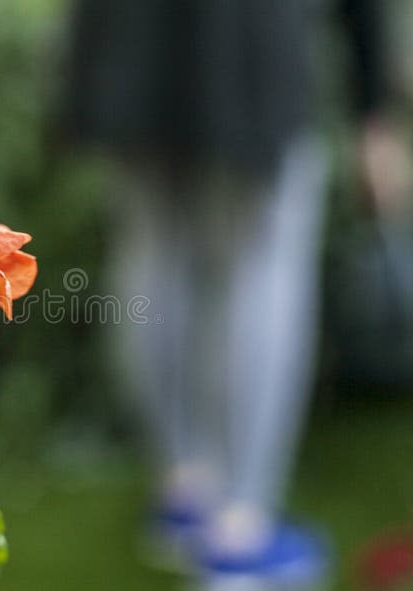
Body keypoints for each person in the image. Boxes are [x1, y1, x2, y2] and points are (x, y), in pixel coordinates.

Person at [68, 0, 389, 587]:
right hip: (246, 34)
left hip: (128, 30)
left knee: (150, 243)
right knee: (260, 262)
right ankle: (238, 534)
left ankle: (183, 493)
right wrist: (372, 105)